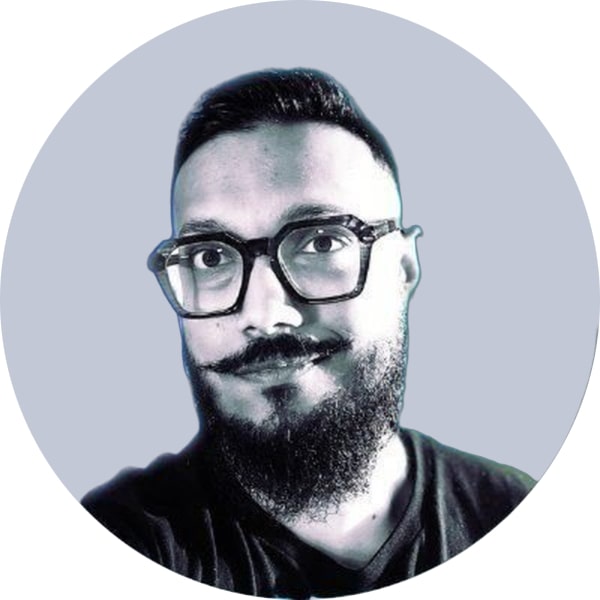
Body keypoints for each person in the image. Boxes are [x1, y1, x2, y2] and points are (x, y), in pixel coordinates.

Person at [82, 68, 535, 598]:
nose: (264, 313)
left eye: (321, 242)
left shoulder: (516, 522)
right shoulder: (114, 547)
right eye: (210, 257)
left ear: (403, 269)